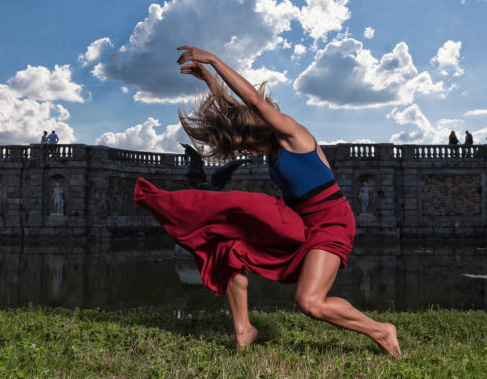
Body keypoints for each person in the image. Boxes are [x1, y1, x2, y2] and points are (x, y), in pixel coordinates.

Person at [134, 46, 401, 357]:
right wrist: (210, 82)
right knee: (230, 249)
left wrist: (215, 61)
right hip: (299, 223)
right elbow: (241, 112)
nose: (251, 153)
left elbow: (254, 102)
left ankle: (382, 331)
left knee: (310, 302)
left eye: (250, 146)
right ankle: (244, 330)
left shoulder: (293, 135)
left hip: (332, 223)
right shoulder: (272, 149)